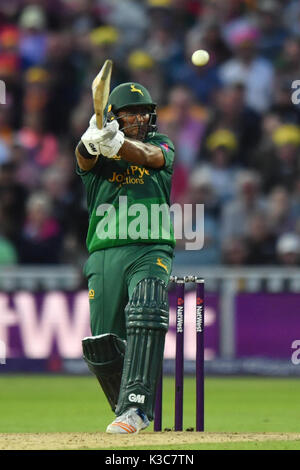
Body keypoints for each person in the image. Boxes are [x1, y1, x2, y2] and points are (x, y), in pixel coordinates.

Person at [75, 81, 175, 434]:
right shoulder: (98, 152)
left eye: (143, 112)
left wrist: (118, 143)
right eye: (130, 113)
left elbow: (150, 158)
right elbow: (83, 159)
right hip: (104, 251)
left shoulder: (162, 144)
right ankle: (126, 406)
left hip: (150, 246)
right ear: (113, 117)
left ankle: (136, 407)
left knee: (147, 307)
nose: (139, 118)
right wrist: (92, 141)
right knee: (102, 346)